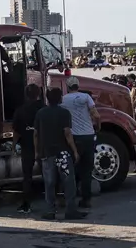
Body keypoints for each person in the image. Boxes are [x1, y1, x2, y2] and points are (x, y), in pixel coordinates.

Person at [35, 87, 88, 221]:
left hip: (47, 153)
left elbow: (35, 134)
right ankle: (71, 210)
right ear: (60, 99)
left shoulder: (40, 113)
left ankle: (50, 211)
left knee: (49, 182)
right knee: (68, 181)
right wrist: (75, 151)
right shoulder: (64, 113)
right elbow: (67, 133)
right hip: (62, 153)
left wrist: (37, 151)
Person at [61, 76, 100, 208]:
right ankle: (86, 199)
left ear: (67, 87)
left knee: (73, 168)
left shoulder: (64, 99)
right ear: (78, 86)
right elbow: (96, 115)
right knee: (87, 170)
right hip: (89, 136)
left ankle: (71, 198)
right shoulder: (86, 97)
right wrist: (98, 126)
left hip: (74, 138)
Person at [12, 84, 44, 213]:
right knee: (49, 175)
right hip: (43, 146)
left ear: (26, 94)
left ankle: (26, 205)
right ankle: (53, 203)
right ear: (39, 94)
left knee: (27, 176)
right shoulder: (43, 109)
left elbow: (16, 132)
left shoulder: (20, 111)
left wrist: (14, 145)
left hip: (27, 146)